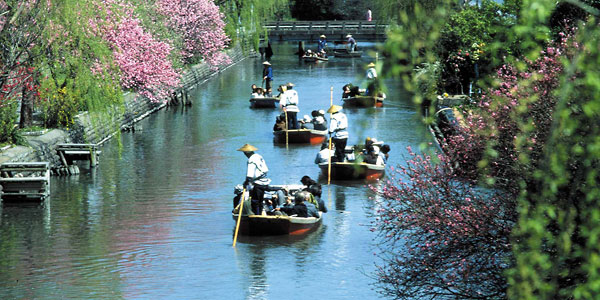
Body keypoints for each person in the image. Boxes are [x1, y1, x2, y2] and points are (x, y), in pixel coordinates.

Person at [238, 144, 271, 215]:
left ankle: (257, 216)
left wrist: (246, 183)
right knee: (260, 201)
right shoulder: (259, 156)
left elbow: (250, 175)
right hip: (264, 181)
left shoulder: (251, 160)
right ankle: (260, 215)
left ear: (246, 153)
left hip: (258, 183)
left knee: (255, 201)